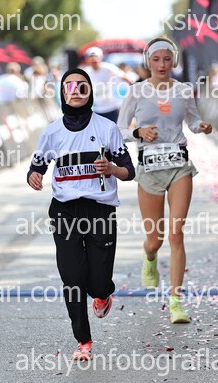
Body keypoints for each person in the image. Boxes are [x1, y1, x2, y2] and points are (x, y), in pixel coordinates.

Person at [27, 68, 135, 361]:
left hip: (100, 210)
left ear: (90, 92)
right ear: (62, 92)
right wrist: (34, 176)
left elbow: (129, 171)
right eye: (70, 86)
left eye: (82, 86)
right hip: (65, 211)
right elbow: (37, 166)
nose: (75, 91)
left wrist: (111, 169)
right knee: (72, 278)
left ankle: (102, 293)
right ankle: (83, 341)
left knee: (98, 282)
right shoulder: (52, 132)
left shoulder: (106, 128)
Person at [117, 37, 213, 324]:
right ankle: (149, 258)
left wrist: (202, 126)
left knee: (176, 234)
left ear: (174, 61)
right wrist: (138, 133)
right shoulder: (136, 91)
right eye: (156, 59)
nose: (161, 65)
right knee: (155, 240)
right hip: (149, 169)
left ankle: (176, 301)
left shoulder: (183, 90)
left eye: (167, 59)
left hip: (179, 166)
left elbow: (193, 121)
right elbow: (119, 130)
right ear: (148, 61)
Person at [82, 47, 129, 122]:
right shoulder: (86, 72)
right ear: (87, 60)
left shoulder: (108, 68)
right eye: (91, 58)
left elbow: (124, 77)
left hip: (111, 108)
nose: (94, 61)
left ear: (100, 58)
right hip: (96, 109)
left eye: (96, 58)